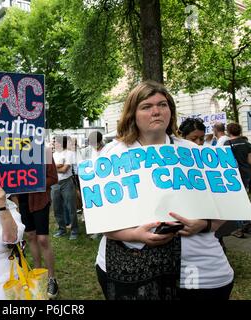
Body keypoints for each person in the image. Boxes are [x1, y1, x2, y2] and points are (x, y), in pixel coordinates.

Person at [96, 80, 233, 300]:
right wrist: (134, 235)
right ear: (133, 114)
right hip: (132, 264)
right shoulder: (113, 154)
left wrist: (204, 224)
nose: (156, 111)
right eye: (147, 106)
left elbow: (227, 206)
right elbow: (101, 219)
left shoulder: (193, 151)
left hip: (198, 267)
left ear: (170, 110)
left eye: (162, 104)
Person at [18, 147, 59, 298]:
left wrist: (33, 181)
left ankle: (51, 278)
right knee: (30, 236)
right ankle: (38, 276)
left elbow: (53, 178)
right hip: (22, 200)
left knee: (43, 239)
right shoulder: (12, 151)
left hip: (39, 200)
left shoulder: (45, 151)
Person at [224, 123, 251, 238]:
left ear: (228, 131)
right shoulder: (247, 143)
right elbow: (250, 161)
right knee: (247, 200)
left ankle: (238, 228)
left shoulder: (227, 144)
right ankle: (247, 224)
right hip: (248, 175)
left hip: (233, 177)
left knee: (236, 202)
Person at [51, 136, 78, 240]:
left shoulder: (69, 154)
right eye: (54, 143)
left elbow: (64, 169)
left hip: (67, 182)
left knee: (71, 207)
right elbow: (48, 169)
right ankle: (61, 229)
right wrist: (58, 165)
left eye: (56, 142)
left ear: (61, 144)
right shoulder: (52, 155)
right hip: (55, 184)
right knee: (57, 208)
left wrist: (55, 167)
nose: (54, 144)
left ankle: (74, 230)